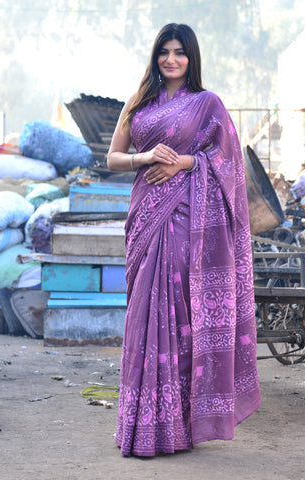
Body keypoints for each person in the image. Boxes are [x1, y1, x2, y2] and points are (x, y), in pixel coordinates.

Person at [107, 23, 261, 457]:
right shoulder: (137, 104)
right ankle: (142, 425)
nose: (171, 59)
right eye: (164, 52)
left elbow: (227, 160)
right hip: (145, 219)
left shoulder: (207, 104)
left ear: (191, 58)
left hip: (186, 220)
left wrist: (185, 163)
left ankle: (176, 425)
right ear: (155, 56)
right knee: (142, 315)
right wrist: (146, 156)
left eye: (180, 53)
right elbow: (113, 157)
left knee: (178, 315)